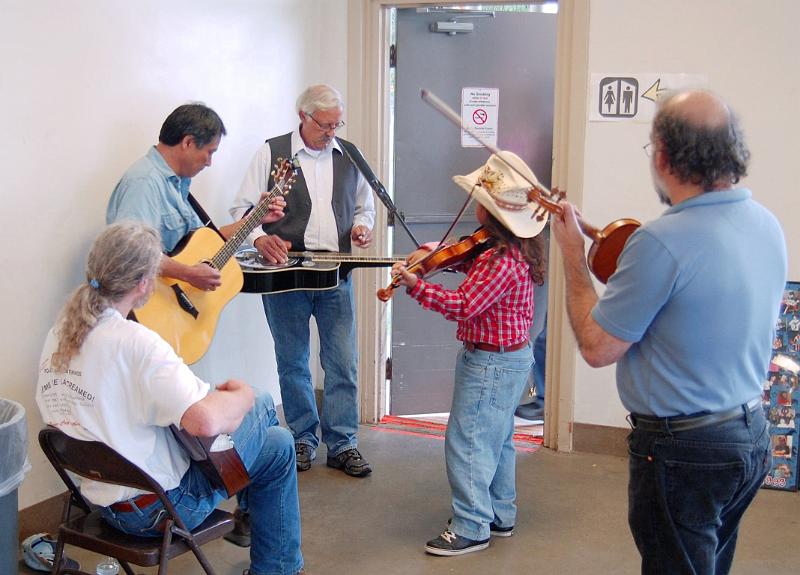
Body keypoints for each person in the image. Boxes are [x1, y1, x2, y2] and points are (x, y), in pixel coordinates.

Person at [550, 89, 786, 574]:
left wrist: (574, 260)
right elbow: (688, 306)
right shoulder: (766, 223)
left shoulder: (660, 242)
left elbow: (597, 347)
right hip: (749, 436)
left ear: (663, 155)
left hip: (684, 452)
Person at [35, 222, 304, 575]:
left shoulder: (62, 332)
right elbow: (204, 421)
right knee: (266, 409)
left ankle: (269, 547)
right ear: (144, 283)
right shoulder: (136, 343)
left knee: (276, 442)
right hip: (156, 511)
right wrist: (243, 395)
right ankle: (276, 566)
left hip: (99, 499)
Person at [391, 151, 547, 556]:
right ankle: (499, 514)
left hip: (491, 363)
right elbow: (472, 270)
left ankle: (471, 525)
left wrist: (416, 285)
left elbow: (463, 305)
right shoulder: (509, 250)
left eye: (482, 202)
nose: (475, 205)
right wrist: (434, 252)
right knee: (498, 440)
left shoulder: (500, 260)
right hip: (510, 358)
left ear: (492, 214)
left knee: (469, 442)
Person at [230, 84, 376, 477]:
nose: (331, 131)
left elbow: (365, 206)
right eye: (324, 124)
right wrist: (260, 238)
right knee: (292, 361)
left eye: (336, 124)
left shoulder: (350, 155)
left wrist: (362, 228)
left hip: (336, 274)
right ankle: (302, 439)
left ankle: (343, 443)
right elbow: (243, 210)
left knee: (342, 362)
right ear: (303, 117)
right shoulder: (272, 152)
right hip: (285, 276)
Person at [107, 103, 286, 291]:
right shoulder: (144, 182)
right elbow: (135, 253)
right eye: (210, 152)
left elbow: (202, 243)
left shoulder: (176, 184)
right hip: (145, 305)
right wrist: (188, 274)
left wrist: (255, 217)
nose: (209, 162)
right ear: (188, 143)